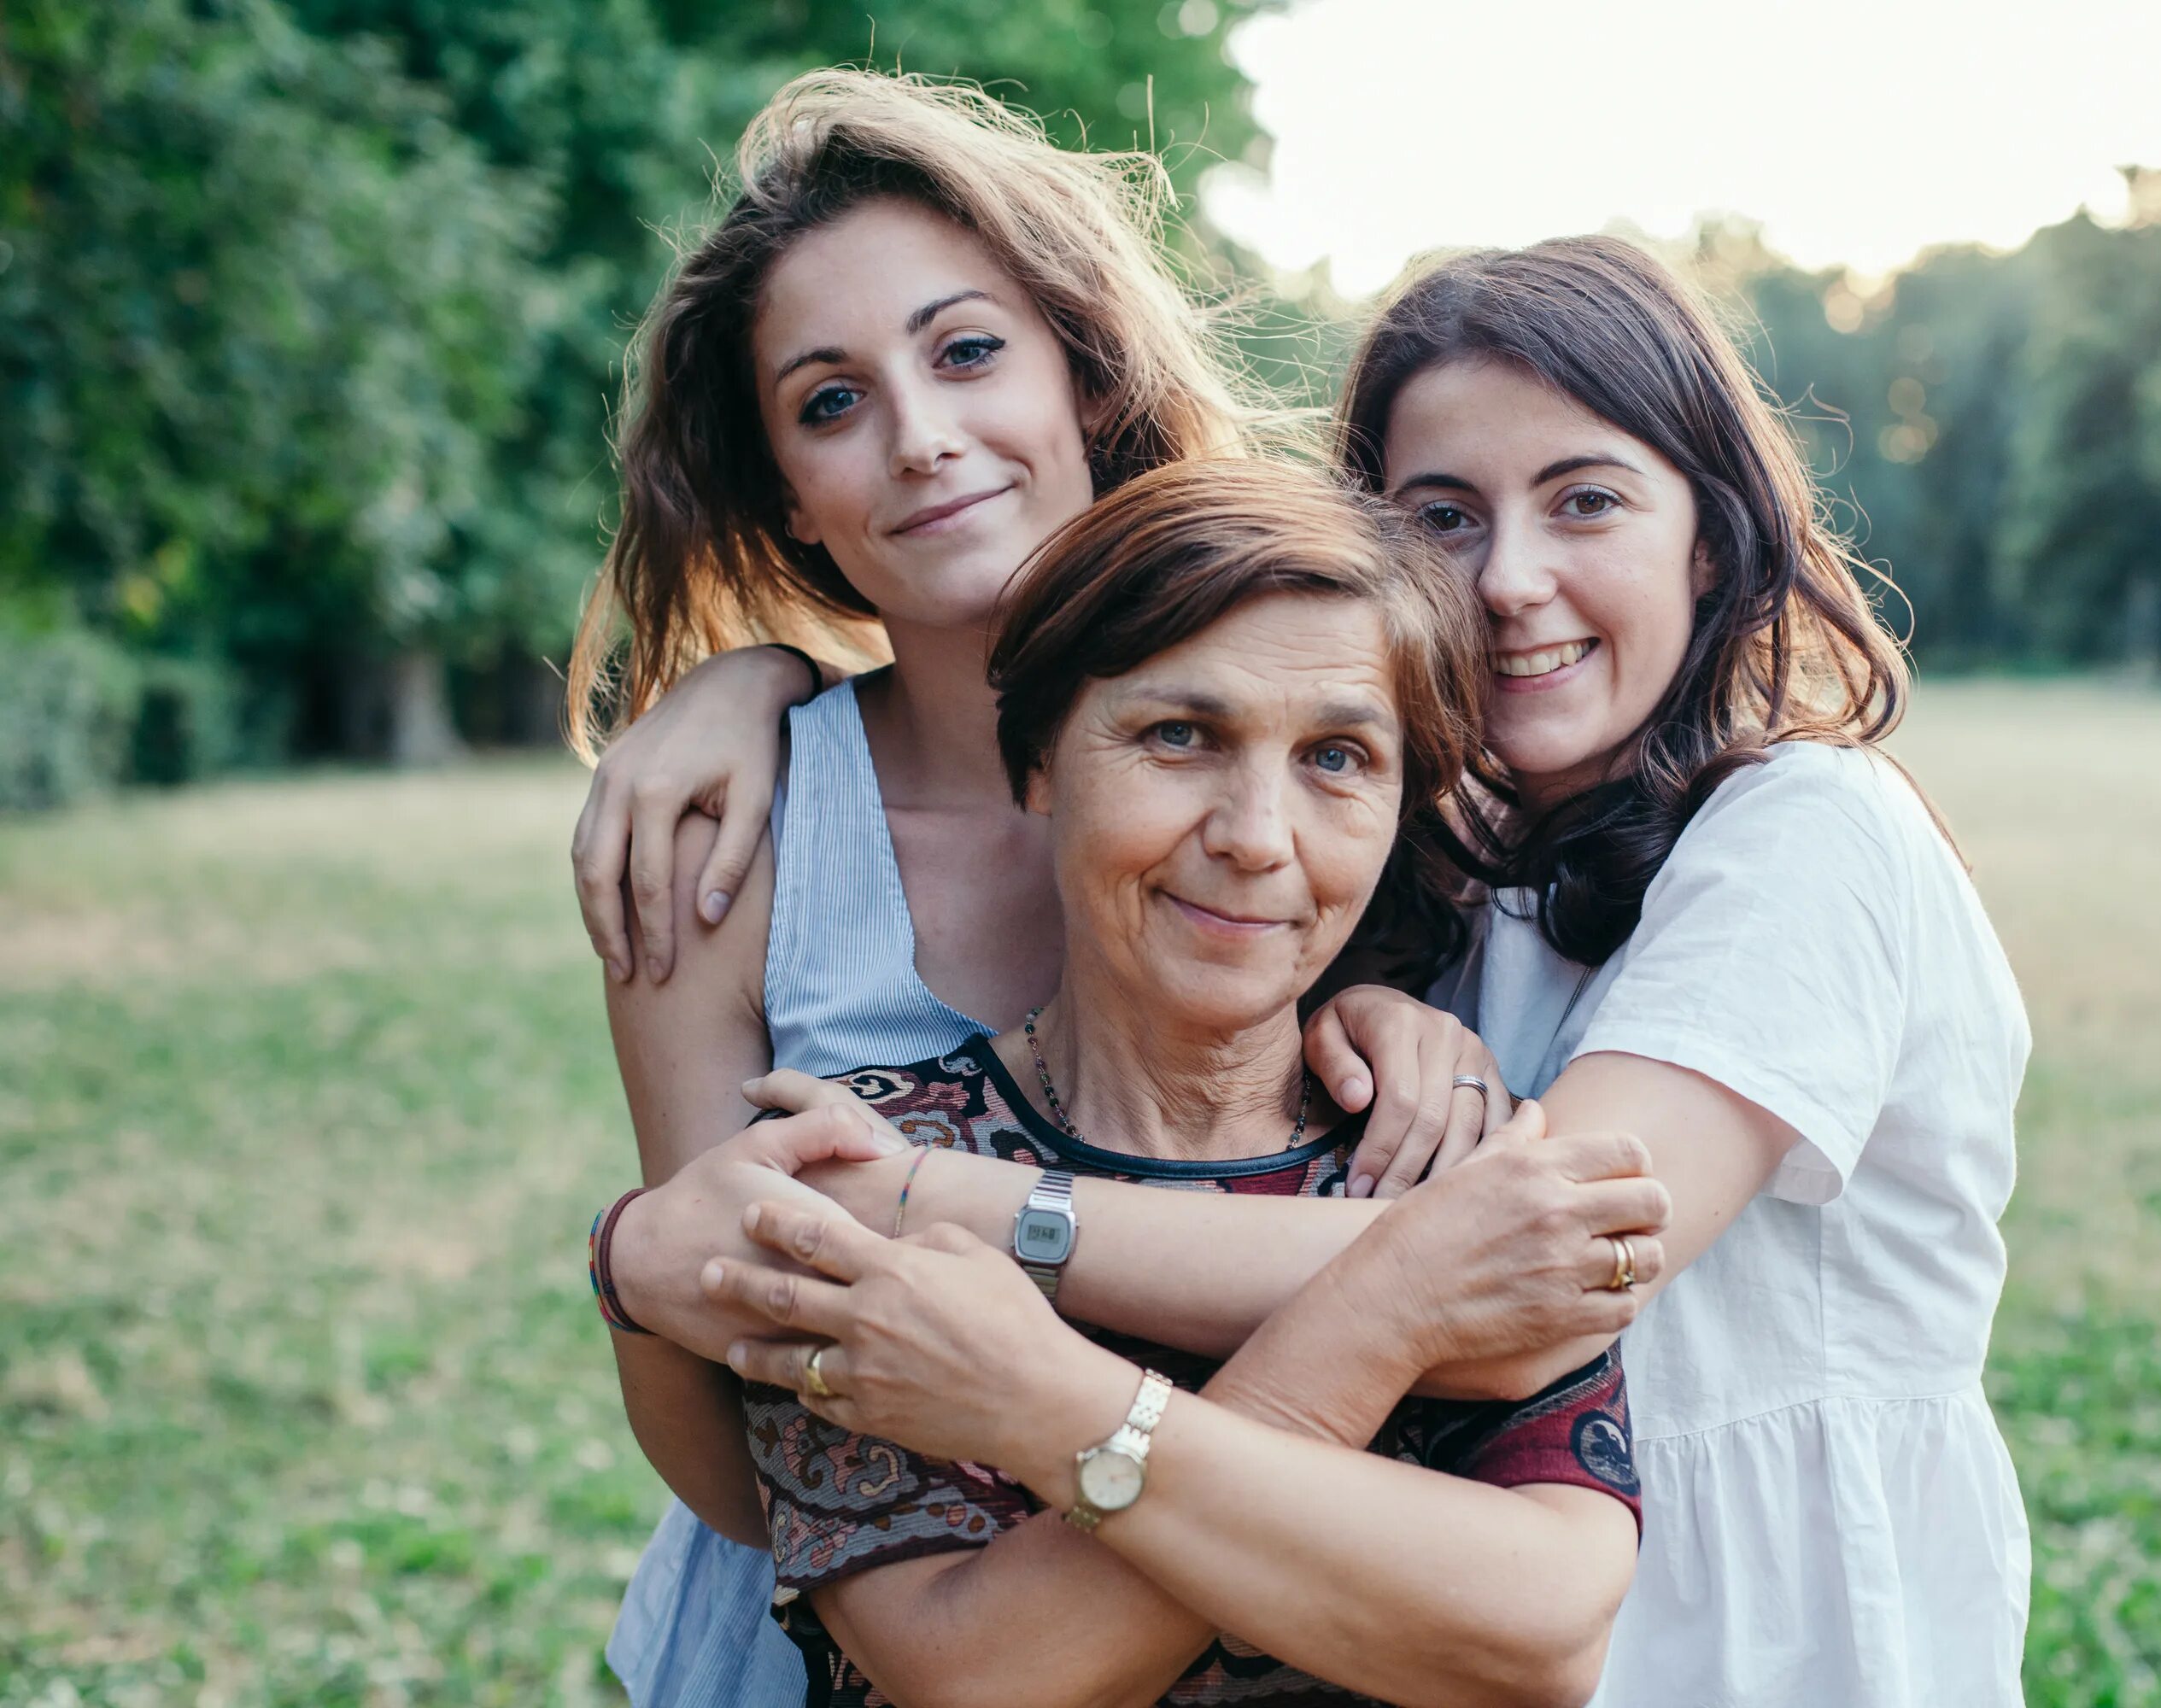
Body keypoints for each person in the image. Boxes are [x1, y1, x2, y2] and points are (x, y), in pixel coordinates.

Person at [596, 232, 2036, 1707]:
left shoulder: (1807, 829)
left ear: (1713, 540)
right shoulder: (1455, 867)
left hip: (1763, 1623)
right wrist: (750, 677)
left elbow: (1537, 1274)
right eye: (1445, 517)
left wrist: (943, 1220)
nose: (1514, 578)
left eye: (1586, 501)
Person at [572, 69, 1531, 1708]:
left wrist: (1381, 1014)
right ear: (784, 497)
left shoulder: (1305, 731)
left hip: (1287, 1592)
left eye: (965, 352)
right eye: (831, 403)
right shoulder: (725, 833)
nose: (923, 437)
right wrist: (748, 683)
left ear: (1084, 375)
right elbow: (741, 1392)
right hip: (872, 1623)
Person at [612, 457, 1660, 1706]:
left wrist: (1050, 1404)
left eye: (1338, 758)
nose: (1257, 837)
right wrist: (1386, 1315)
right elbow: (978, 1673)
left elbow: (1538, 1636)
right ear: (1040, 764)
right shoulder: (854, 1166)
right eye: (1180, 736)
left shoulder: (1449, 1166)